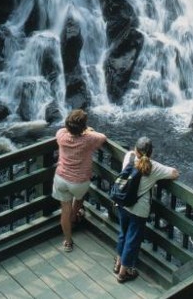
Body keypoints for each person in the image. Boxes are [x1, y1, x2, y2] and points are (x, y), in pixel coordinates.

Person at [114, 136, 179, 283]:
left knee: (123, 234)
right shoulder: (154, 167)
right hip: (139, 210)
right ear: (151, 153)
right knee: (132, 240)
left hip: (123, 204)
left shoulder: (129, 157)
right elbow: (175, 173)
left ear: (135, 149)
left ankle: (118, 264)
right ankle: (123, 273)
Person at [52, 109, 106, 252]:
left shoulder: (61, 136)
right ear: (83, 127)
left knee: (65, 210)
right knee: (80, 199)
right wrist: (88, 131)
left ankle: (68, 242)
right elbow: (102, 137)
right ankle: (74, 217)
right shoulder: (88, 140)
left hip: (61, 178)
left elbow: (63, 130)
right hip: (80, 182)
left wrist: (75, 128)